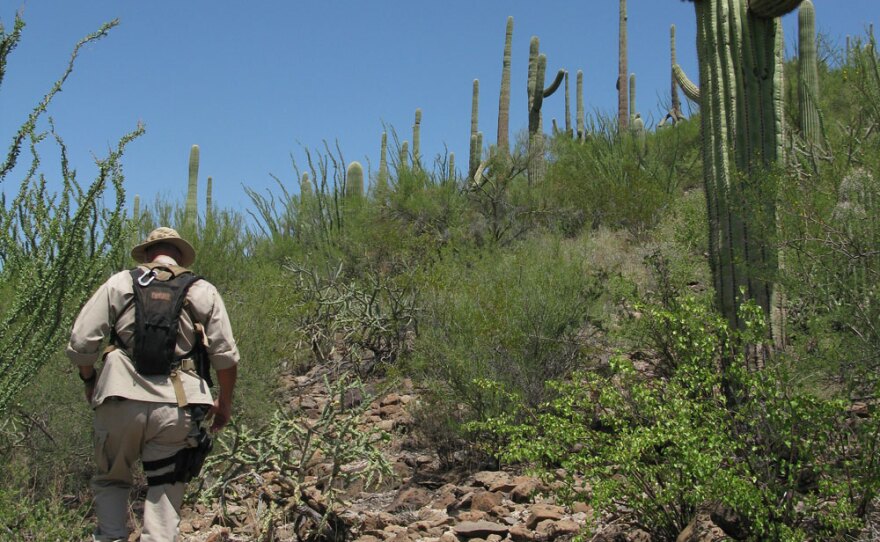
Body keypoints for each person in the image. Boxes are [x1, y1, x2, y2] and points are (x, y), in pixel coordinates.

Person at [67, 227, 240, 542]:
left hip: (118, 398)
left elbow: (81, 342)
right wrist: (224, 402)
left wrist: (89, 379)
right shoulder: (202, 290)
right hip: (177, 407)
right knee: (165, 491)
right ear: (179, 255)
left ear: (147, 254)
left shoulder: (121, 282)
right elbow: (226, 358)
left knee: (112, 481)